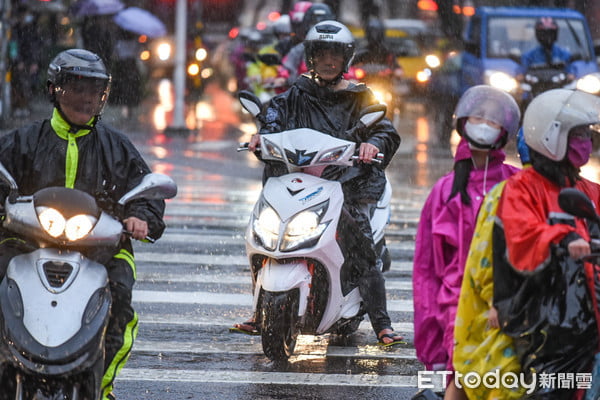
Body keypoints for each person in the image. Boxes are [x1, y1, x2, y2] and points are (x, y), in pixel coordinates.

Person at [0, 49, 166, 400]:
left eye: (94, 90)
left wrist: (141, 217)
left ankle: (100, 387)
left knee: (120, 301)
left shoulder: (116, 146)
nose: (85, 97)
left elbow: (144, 190)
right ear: (53, 90)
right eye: (75, 88)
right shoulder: (23, 141)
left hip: (100, 248)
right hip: (26, 242)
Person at [232, 20, 403, 346]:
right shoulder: (294, 95)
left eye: (335, 55)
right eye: (322, 54)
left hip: (346, 183)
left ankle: (382, 321)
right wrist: (260, 138)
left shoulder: (360, 97)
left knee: (361, 244)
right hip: (295, 182)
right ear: (311, 57)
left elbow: (385, 129)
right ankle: (259, 310)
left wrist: (373, 145)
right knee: (265, 233)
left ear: (345, 59)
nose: (328, 61)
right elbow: (271, 120)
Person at [412, 85, 521, 400]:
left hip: (506, 306)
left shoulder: (516, 185)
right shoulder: (444, 191)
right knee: (462, 381)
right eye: (479, 116)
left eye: (493, 119)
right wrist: (430, 339)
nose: (485, 123)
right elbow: (427, 270)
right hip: (456, 310)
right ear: (463, 120)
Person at [493, 89, 600, 399]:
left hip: (586, 317)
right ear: (552, 137)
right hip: (544, 322)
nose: (586, 142)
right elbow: (522, 234)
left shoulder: (585, 188)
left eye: (586, 134)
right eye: (578, 134)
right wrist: (563, 239)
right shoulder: (521, 189)